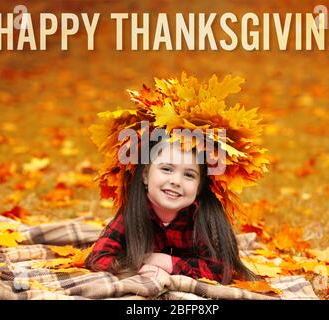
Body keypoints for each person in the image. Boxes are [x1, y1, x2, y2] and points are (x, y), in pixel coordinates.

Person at [85, 73, 269, 284]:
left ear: (200, 186)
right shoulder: (134, 211)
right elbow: (98, 258)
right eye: (166, 169)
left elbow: (222, 270)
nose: (176, 181)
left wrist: (168, 263)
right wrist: (142, 268)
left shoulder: (204, 216)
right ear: (145, 174)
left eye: (189, 175)